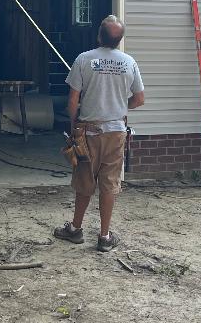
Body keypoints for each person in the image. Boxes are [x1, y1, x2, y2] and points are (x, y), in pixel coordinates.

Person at [54, 15, 144, 252]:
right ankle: (104, 237)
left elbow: (72, 101)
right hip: (116, 132)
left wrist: (73, 124)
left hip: (89, 132)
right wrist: (120, 107)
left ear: (98, 36)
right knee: (109, 184)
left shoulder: (84, 59)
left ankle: (75, 229)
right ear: (119, 40)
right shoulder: (129, 62)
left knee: (85, 181)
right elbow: (139, 99)